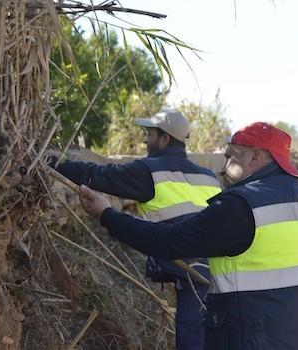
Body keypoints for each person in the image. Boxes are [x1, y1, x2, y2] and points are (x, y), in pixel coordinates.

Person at [76, 122, 298, 350]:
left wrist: (106, 214)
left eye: (231, 157)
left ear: (255, 156)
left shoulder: (242, 206)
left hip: (257, 339)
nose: (224, 166)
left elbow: (167, 242)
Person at [49, 110, 221, 350]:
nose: (144, 140)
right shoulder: (209, 176)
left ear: (165, 139)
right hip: (219, 271)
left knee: (192, 341)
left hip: (191, 274)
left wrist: (50, 163)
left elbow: (97, 175)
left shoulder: (151, 172)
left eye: (149, 134)